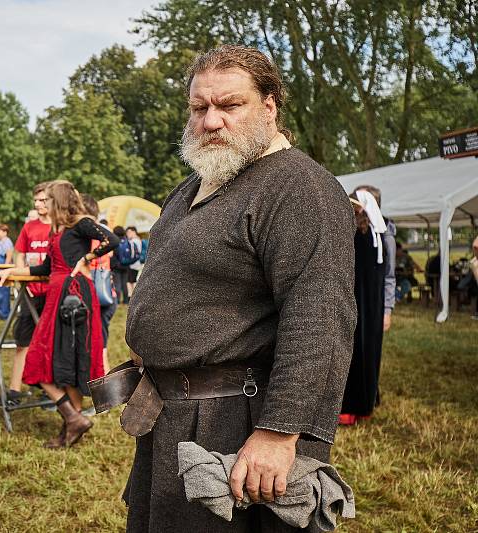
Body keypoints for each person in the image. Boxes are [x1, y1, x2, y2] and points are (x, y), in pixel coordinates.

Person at [123, 45, 356, 532]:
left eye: (230, 105)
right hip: (176, 414)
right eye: (199, 107)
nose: (210, 121)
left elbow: (319, 317)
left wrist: (277, 433)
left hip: (237, 419)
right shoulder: (197, 184)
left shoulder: (297, 186)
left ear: (270, 106)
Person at [0, 180, 119, 448]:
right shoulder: (57, 231)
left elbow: (112, 239)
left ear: (58, 201)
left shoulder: (80, 223)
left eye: (48, 199)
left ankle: (70, 427)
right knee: (45, 360)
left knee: (70, 360)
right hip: (57, 297)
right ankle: (73, 420)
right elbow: (45, 268)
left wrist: (87, 259)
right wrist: (10, 272)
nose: (43, 204)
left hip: (74, 298)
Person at [339, 186, 396, 426]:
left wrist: (387, 310)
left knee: (369, 353)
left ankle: (364, 403)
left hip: (372, 306)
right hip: (350, 302)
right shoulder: (346, 230)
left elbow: (389, 275)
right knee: (348, 353)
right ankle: (351, 404)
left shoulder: (383, 235)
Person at [7, 182, 52, 405]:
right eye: (35, 200)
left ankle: (50, 390)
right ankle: (14, 391)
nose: (38, 204)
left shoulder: (60, 227)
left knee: (50, 343)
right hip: (31, 292)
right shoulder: (29, 227)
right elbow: (19, 253)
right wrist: (20, 278)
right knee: (23, 341)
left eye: (43, 200)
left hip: (52, 293)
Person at [82, 193, 116, 374]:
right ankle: (104, 377)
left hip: (98, 293)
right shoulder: (103, 232)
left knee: (98, 340)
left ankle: (105, 379)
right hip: (107, 292)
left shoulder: (89, 234)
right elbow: (110, 255)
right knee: (100, 338)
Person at [110, 226, 129, 304]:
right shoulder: (126, 240)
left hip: (117, 266)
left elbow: (114, 255)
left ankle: (117, 301)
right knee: (124, 284)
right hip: (126, 265)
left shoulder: (115, 241)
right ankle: (125, 300)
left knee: (117, 284)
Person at [125, 226, 143, 296]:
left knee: (131, 281)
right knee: (134, 280)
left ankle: (132, 296)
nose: (127, 234)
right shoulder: (139, 240)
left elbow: (132, 255)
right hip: (138, 264)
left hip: (132, 264)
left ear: (134, 232)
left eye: (129, 232)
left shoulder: (133, 241)